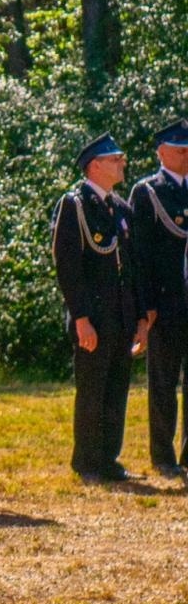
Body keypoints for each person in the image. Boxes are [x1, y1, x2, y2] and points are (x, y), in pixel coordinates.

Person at [52, 133, 150, 482]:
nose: (122, 164)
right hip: (93, 316)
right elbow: (68, 266)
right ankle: (87, 461)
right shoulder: (76, 205)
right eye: (115, 159)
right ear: (94, 166)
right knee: (92, 390)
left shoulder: (121, 209)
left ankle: (109, 458)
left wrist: (141, 317)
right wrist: (80, 317)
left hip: (121, 316)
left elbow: (132, 267)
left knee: (116, 389)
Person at [128, 119, 188, 478]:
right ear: (162, 153)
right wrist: (145, 305)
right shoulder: (148, 192)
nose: (185, 157)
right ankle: (163, 456)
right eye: (180, 151)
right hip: (165, 304)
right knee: (163, 382)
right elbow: (140, 254)